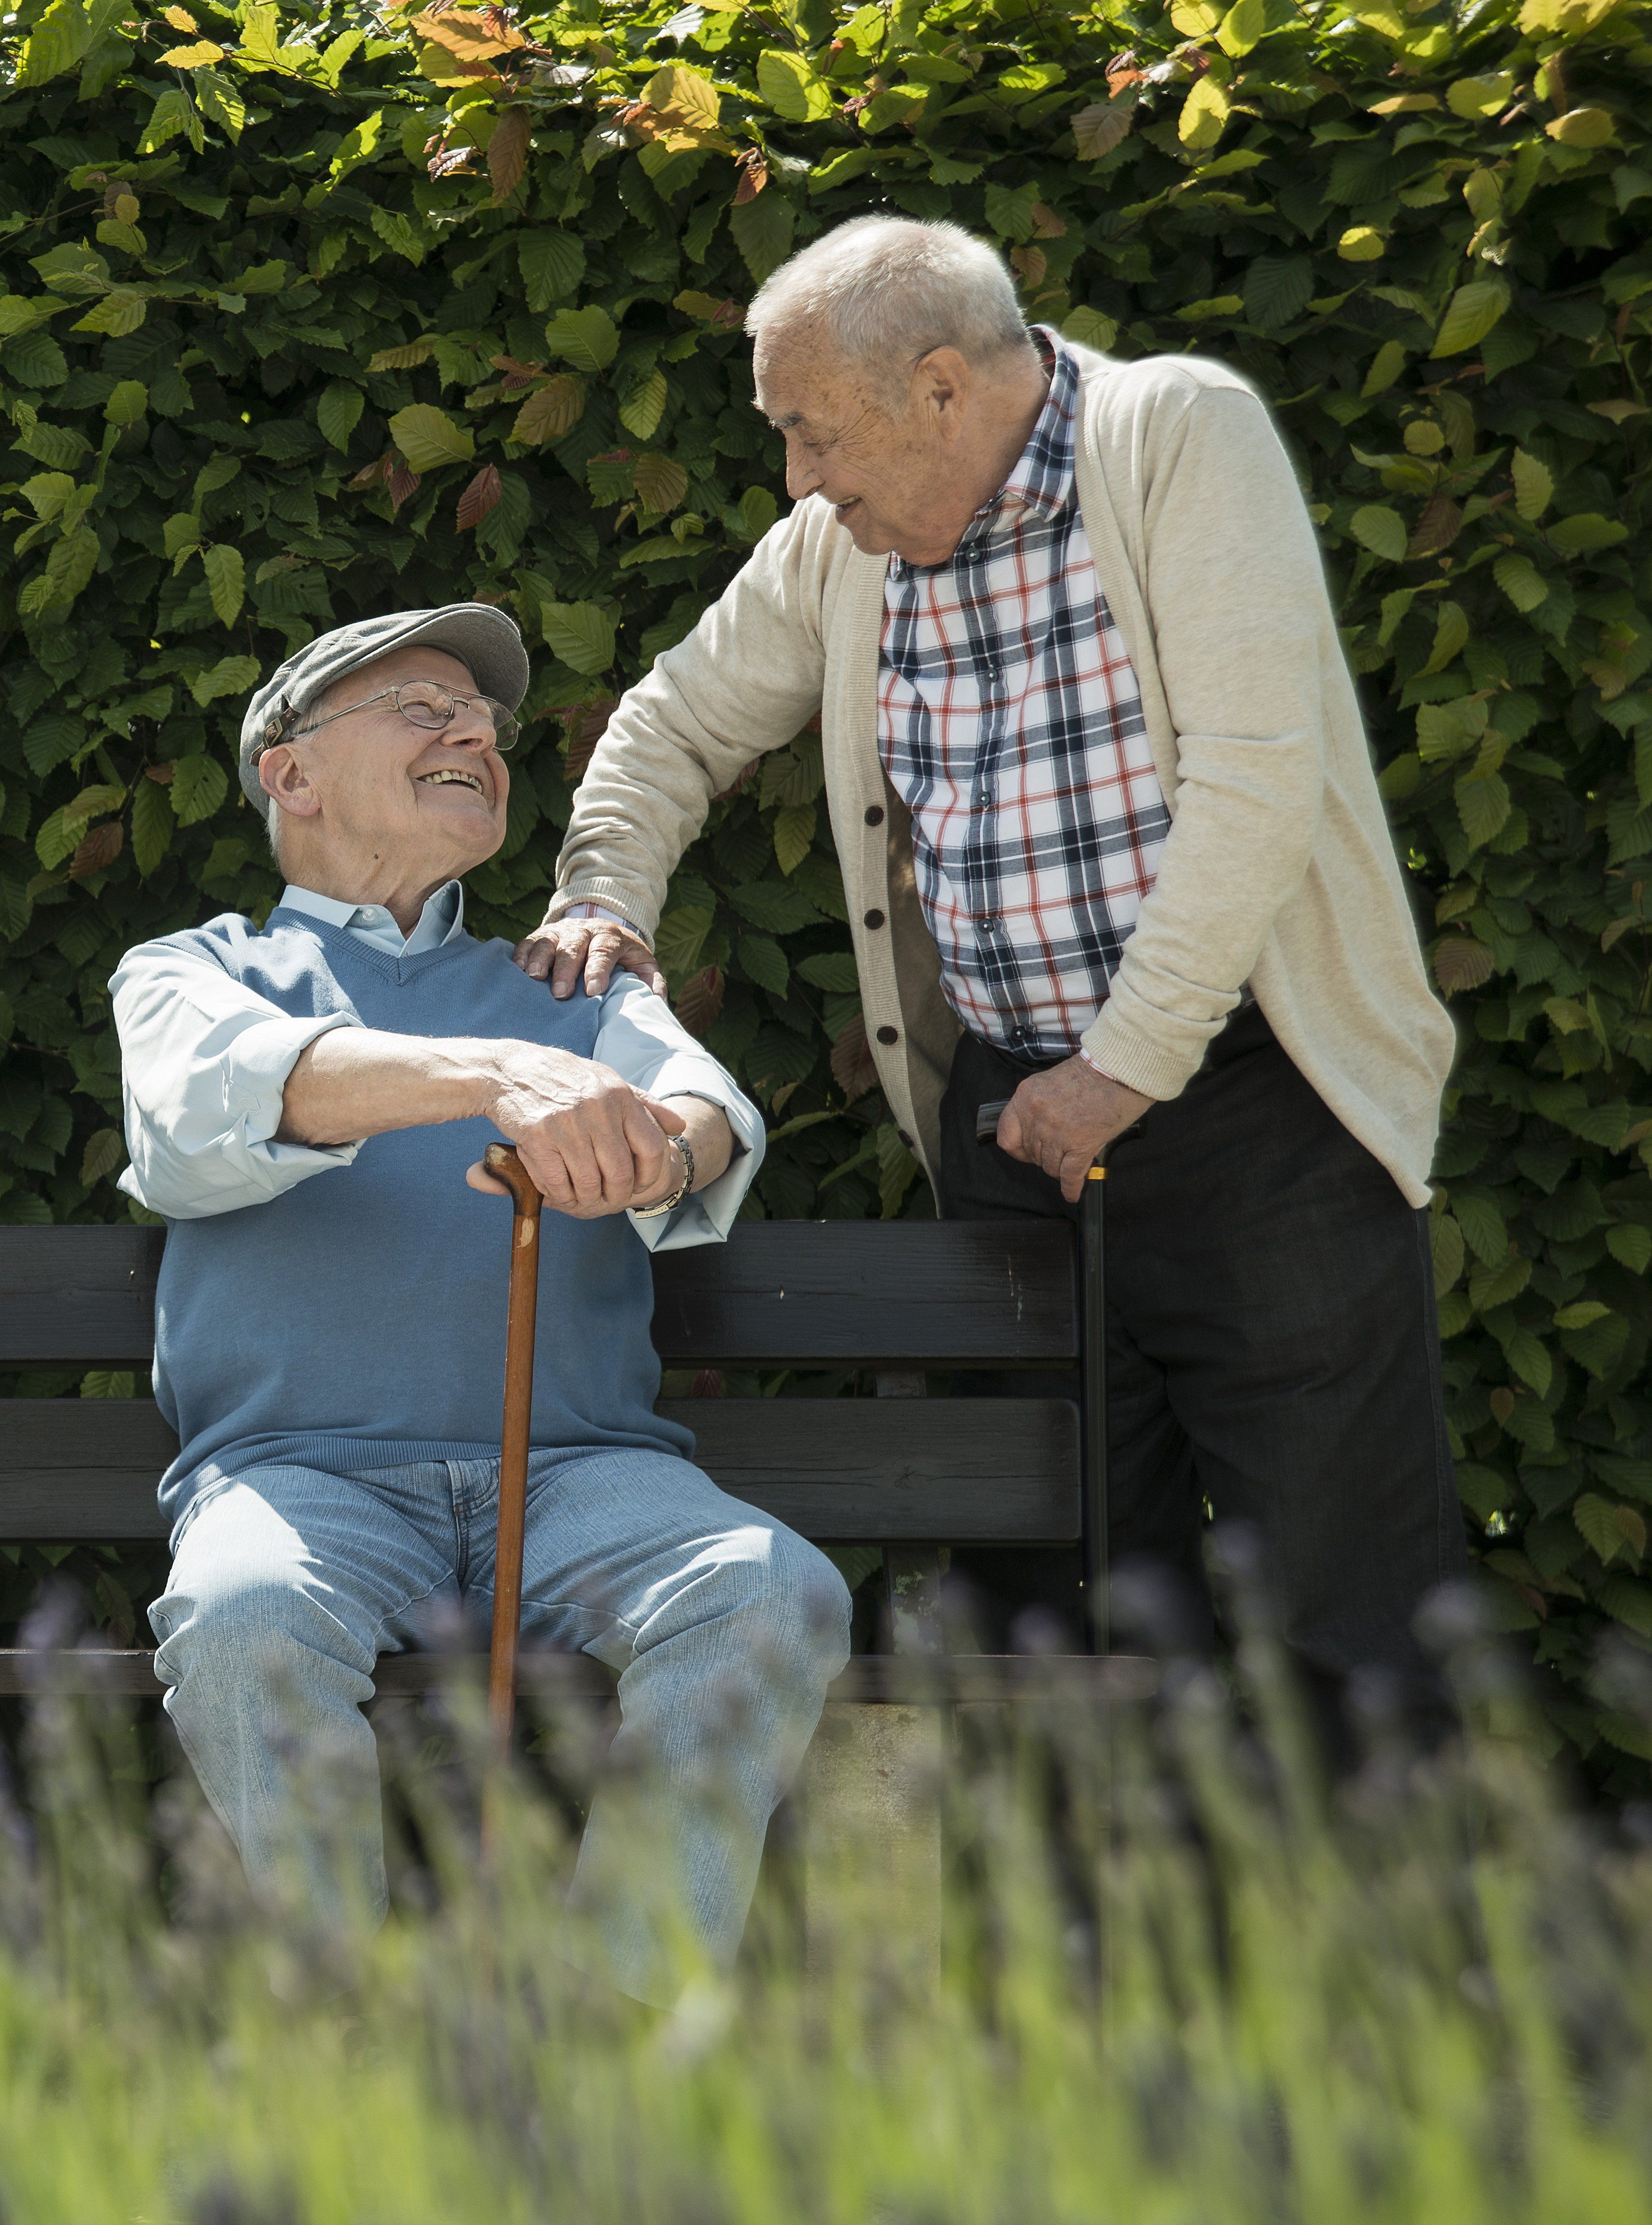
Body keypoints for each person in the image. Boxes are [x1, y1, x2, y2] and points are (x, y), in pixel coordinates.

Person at [519, 216, 1464, 1707]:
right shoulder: (835, 552)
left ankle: (1353, 1947)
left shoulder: (1173, 432)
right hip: (1017, 1124)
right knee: (1048, 1615)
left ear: (943, 388)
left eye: (809, 433)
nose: (797, 479)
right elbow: (672, 723)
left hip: (1256, 1107)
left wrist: (1123, 1067)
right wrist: (599, 894)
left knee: (1339, 1612)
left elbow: (1255, 779)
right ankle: (1076, 1944)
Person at [114, 602, 848, 2001]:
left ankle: (610, 2036)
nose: (471, 735)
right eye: (419, 708)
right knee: (240, 1621)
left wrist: (649, 1140)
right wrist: (491, 1078)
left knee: (767, 1594)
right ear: (290, 772)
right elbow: (197, 1111)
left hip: (577, 1478)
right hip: (301, 1479)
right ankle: (350, 2044)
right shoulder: (191, 970)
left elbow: (707, 1115)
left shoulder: (560, 979)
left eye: (485, 723)